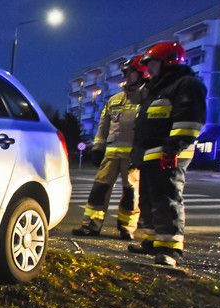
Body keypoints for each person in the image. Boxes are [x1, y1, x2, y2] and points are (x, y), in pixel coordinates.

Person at [127, 41, 207, 267]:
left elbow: (190, 120)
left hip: (169, 153)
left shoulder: (186, 85)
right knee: (149, 199)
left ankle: (170, 249)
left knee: (167, 198)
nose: (148, 69)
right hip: (151, 155)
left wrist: (173, 147)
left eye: (152, 63)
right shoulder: (157, 89)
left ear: (168, 61)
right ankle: (152, 241)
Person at [72, 55, 147, 240]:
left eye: (131, 73)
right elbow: (103, 126)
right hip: (111, 154)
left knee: (130, 193)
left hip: (132, 156)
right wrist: (97, 147)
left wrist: (142, 153)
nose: (127, 76)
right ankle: (91, 225)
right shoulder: (114, 100)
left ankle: (126, 227)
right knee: (99, 189)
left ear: (142, 74)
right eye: (126, 73)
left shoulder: (147, 100)